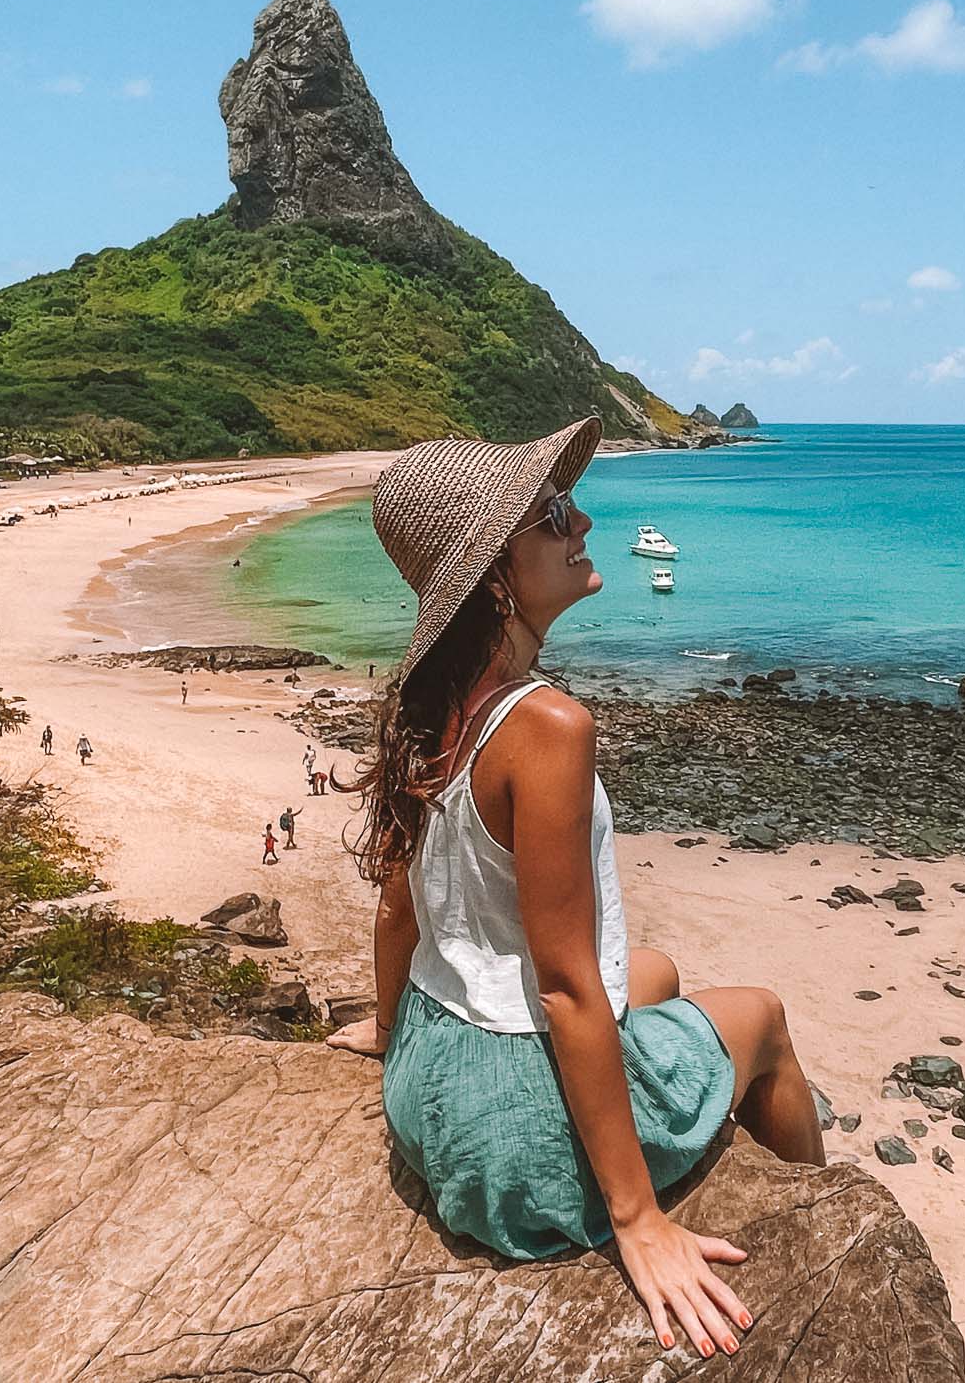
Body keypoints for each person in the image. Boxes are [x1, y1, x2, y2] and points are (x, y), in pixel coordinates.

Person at [325, 425, 820, 1360]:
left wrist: (389, 1031)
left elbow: (398, 909)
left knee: (659, 970)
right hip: (510, 1138)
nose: (583, 519)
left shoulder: (427, 705)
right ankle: (814, 1207)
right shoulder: (549, 725)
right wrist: (638, 1223)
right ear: (496, 575)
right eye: (553, 514)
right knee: (764, 1014)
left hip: (429, 1071)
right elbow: (563, 986)